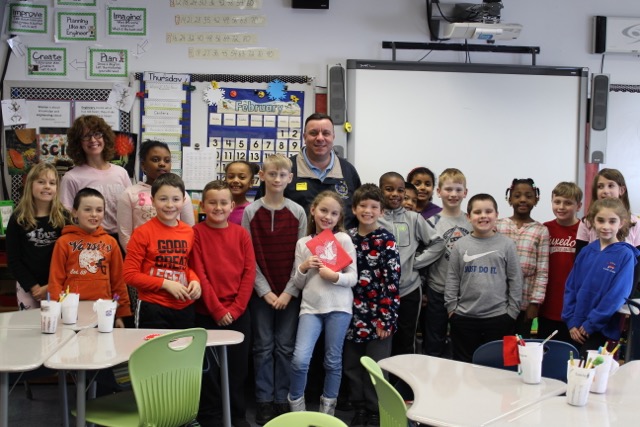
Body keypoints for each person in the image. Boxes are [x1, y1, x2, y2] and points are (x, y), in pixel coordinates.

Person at [242, 154, 307, 425]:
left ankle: (282, 399)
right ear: (262, 176)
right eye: (272, 174)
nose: (277, 179)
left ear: (290, 178)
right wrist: (264, 290)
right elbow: (247, 256)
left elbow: (302, 257)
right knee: (263, 347)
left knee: (285, 347)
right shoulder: (250, 211)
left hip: (290, 293)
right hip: (261, 294)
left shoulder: (298, 211)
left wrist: (289, 291)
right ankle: (264, 401)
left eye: (282, 175)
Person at [191, 180, 256, 427]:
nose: (218, 207)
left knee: (237, 370)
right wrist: (217, 310)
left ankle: (237, 416)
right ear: (204, 205)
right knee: (208, 371)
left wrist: (236, 309)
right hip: (206, 313)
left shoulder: (241, 234)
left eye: (223, 202)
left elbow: (249, 273)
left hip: (238, 314)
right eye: (212, 202)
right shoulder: (195, 233)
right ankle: (210, 417)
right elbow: (199, 273)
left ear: (232, 206)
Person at [288, 191, 357, 415]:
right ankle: (296, 409)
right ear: (313, 210)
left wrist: (334, 277)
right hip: (310, 309)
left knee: (332, 361)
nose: (327, 216)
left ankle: (328, 412)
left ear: (339, 218)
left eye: (334, 213)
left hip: (339, 308)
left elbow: (352, 278)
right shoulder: (303, 243)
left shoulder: (344, 239)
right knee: (300, 360)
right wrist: (304, 267)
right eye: (324, 210)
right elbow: (297, 284)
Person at [344, 184, 400, 427]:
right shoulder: (346, 237)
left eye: (373, 207)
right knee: (352, 366)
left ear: (381, 211)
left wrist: (385, 319)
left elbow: (392, 282)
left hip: (378, 315)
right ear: (354, 209)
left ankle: (376, 409)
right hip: (349, 314)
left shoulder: (386, 240)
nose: (367, 210)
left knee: (376, 368)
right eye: (363, 206)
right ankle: (359, 408)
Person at [444, 193, 522, 362]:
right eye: (477, 212)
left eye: (488, 211)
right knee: (465, 367)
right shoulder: (460, 245)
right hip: (464, 319)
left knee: (504, 367)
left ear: (496, 215)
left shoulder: (507, 245)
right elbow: (452, 279)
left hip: (500, 318)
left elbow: (515, 280)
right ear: (468, 217)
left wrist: (512, 313)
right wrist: (452, 310)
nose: (483, 216)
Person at [377, 172, 444, 356]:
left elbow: (438, 243)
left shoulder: (413, 218)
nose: (395, 194)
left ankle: (403, 385)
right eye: (389, 189)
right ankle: (381, 382)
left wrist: (415, 263)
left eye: (400, 190)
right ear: (380, 190)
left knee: (405, 342)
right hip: (378, 293)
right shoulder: (372, 216)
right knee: (380, 341)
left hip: (408, 290)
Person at [122, 173, 201, 329]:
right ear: (152, 201)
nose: (170, 205)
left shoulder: (189, 232)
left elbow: (187, 266)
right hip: (152, 307)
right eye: (163, 199)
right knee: (152, 352)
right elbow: (129, 275)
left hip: (184, 307)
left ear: (184, 201)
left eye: (176, 199)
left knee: (182, 352)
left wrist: (195, 281)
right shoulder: (142, 233)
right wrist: (165, 284)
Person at [563, 198, 639, 355]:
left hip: (602, 330)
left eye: (612, 221)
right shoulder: (586, 251)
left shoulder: (625, 255)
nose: (606, 226)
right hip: (576, 328)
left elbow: (617, 295)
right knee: (573, 373)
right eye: (601, 220)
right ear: (593, 222)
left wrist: (592, 323)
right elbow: (571, 287)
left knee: (595, 374)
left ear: (622, 223)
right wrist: (571, 321)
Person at [258, 113, 361, 228]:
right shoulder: (284, 170)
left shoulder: (348, 171)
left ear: (333, 137)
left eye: (326, 133)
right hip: (295, 244)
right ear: (304, 137)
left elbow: (360, 212)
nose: (320, 138)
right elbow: (261, 212)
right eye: (313, 133)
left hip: (341, 244)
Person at [48, 188, 131, 324]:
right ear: (75, 212)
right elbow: (55, 281)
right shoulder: (63, 242)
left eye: (99, 210)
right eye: (87, 209)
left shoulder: (111, 243)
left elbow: (118, 282)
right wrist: (55, 312)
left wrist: (121, 314)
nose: (94, 214)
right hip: (71, 313)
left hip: (103, 312)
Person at [6, 163, 71, 309]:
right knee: (30, 327)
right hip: (28, 286)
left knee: (58, 326)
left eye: (52, 183)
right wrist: (33, 287)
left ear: (57, 188)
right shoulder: (18, 218)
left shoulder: (64, 218)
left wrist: (50, 286)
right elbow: (13, 260)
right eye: (41, 182)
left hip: (57, 284)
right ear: (30, 185)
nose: (47, 186)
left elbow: (70, 257)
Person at [423, 168, 472, 357]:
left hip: (466, 292)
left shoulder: (472, 220)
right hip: (438, 290)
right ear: (439, 192)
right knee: (434, 342)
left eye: (458, 190)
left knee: (462, 343)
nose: (453, 194)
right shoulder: (429, 222)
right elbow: (423, 256)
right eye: (448, 189)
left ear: (465, 192)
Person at [60, 115, 131, 239]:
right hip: (89, 241)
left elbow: (130, 208)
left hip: (122, 239)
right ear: (78, 142)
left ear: (105, 137)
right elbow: (67, 216)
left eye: (97, 134)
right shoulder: (72, 177)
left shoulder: (121, 173)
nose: (93, 140)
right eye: (86, 136)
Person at [117, 140, 195, 251]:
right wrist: (135, 258)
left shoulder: (181, 194)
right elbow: (125, 233)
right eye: (155, 160)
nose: (162, 163)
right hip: (141, 255)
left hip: (173, 256)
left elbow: (189, 230)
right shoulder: (129, 194)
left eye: (167, 160)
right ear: (143, 165)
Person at [496, 178, 549, 338]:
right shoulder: (498, 225)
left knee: (520, 347)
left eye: (528, 196)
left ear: (536, 199)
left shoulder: (541, 230)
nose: (523, 199)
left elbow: (542, 270)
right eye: (517, 195)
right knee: (498, 343)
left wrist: (535, 303)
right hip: (498, 300)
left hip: (525, 302)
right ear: (510, 199)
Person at [538, 182, 583, 344]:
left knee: (571, 356)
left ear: (579, 206)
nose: (561, 207)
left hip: (574, 308)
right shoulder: (545, 229)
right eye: (557, 202)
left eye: (568, 203)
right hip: (548, 307)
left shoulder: (584, 231)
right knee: (547, 355)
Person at [577, 168, 640, 249]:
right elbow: (580, 256)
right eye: (600, 186)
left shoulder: (635, 223)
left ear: (621, 190)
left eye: (610, 186)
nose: (605, 191)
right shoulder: (586, 222)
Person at [225, 160, 259, 225]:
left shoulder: (252, 211)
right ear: (225, 180)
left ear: (251, 183)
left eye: (242, 177)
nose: (235, 180)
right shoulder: (218, 207)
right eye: (231, 177)